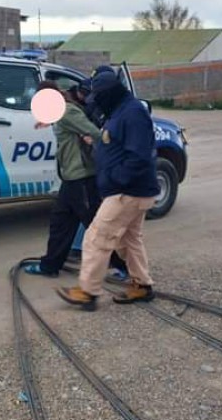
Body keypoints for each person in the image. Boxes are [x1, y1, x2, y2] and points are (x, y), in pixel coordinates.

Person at [57, 71, 159, 311]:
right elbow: (119, 145)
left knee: (96, 237)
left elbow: (140, 156)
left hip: (128, 191)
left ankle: (88, 292)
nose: (96, 102)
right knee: (129, 240)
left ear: (109, 94)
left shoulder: (132, 113)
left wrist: (115, 179)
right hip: (133, 190)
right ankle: (142, 286)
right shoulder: (121, 111)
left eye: (98, 96)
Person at [21, 81, 103, 277]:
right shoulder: (59, 113)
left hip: (82, 177)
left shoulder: (68, 111)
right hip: (70, 178)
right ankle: (50, 266)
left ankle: (123, 265)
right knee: (61, 222)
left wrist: (95, 143)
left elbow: (94, 132)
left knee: (96, 225)